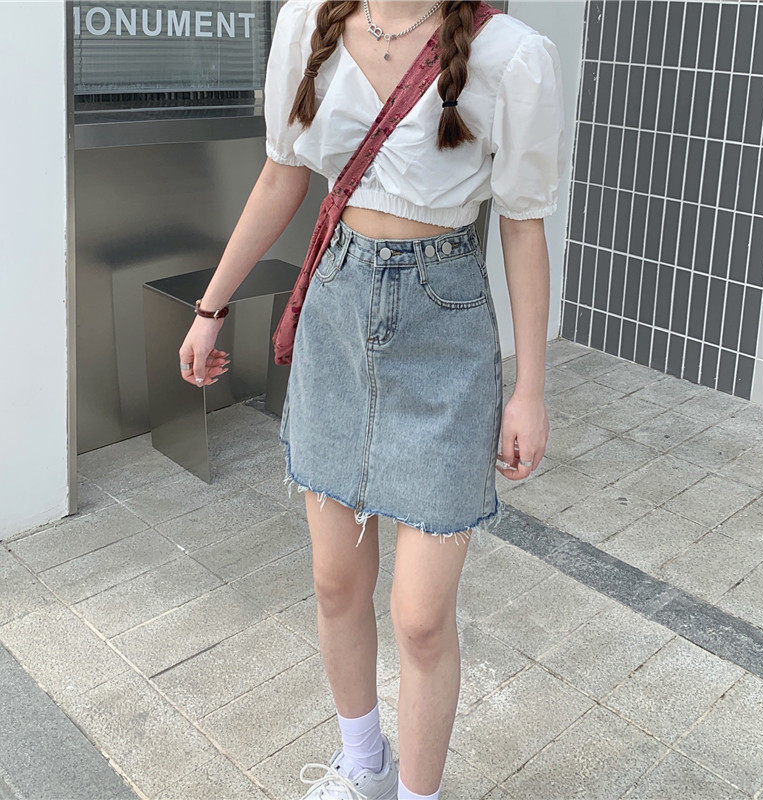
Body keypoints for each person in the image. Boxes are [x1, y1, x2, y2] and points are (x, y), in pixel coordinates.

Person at [179, 1, 567, 797]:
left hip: (444, 326)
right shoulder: (306, 24)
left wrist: (529, 388)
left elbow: (523, 227)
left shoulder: (511, 53)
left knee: (420, 618)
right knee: (335, 583)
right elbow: (281, 176)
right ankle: (365, 764)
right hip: (336, 314)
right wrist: (211, 307)